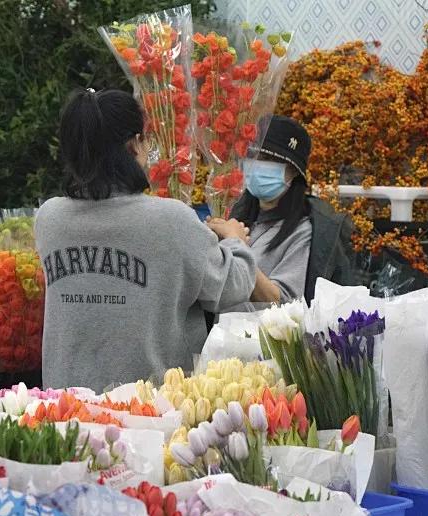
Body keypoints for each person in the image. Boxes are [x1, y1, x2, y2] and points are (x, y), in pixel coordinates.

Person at [34, 89, 259, 391]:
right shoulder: (171, 220)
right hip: (151, 413)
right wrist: (235, 241)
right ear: (134, 143)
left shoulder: (49, 220)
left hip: (65, 410)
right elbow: (231, 287)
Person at [210, 115, 355, 306]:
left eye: (269, 159)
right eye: (253, 156)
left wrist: (236, 244)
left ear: (294, 171)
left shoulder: (302, 231)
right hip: (217, 333)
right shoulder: (238, 215)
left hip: (257, 334)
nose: (258, 165)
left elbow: (282, 302)